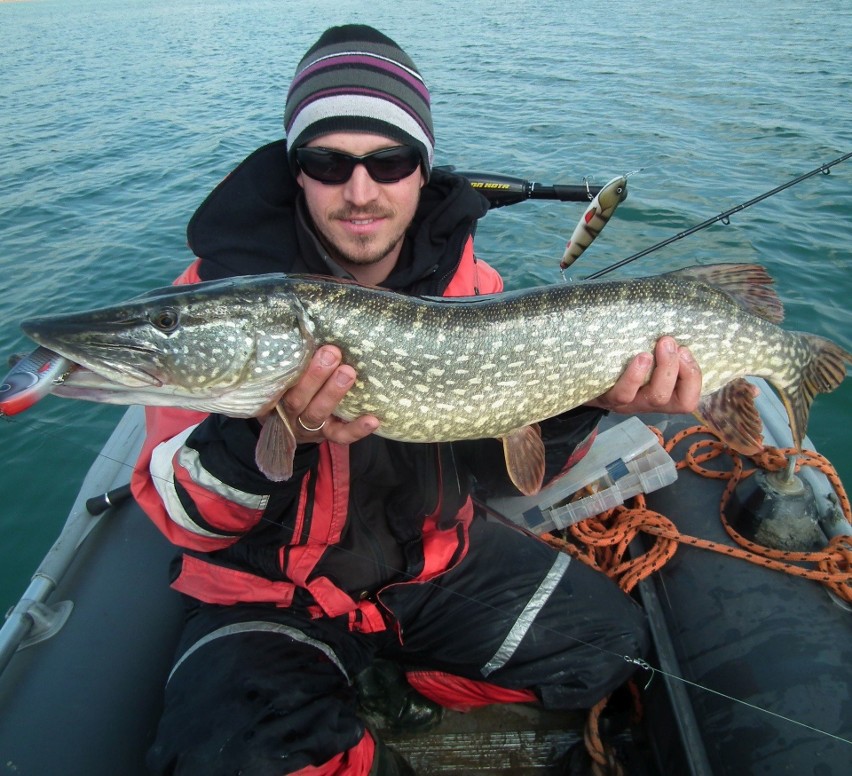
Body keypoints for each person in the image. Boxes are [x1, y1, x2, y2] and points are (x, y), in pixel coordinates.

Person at [133, 24, 702, 776]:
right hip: (269, 599)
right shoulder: (212, 306)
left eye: (388, 161)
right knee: (231, 756)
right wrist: (255, 435)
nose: (360, 191)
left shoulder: (476, 292)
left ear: (420, 169)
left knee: (610, 647)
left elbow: (500, 477)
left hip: (432, 571)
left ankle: (388, 691)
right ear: (295, 171)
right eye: (328, 163)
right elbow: (188, 525)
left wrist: (585, 402)